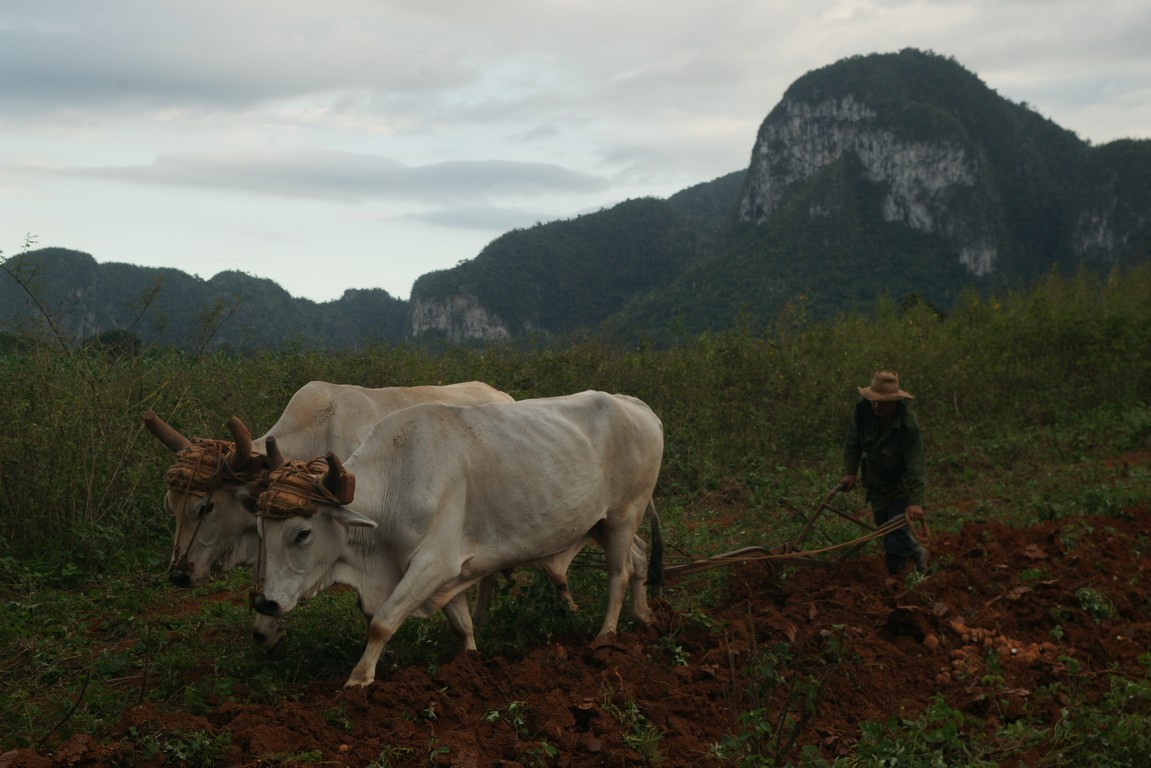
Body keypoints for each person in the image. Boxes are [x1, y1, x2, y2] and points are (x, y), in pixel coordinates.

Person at [840, 370, 930, 576]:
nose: (876, 406)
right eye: (874, 400)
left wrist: (917, 502)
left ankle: (899, 571)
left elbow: (916, 465)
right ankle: (911, 555)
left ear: (895, 402)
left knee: (893, 528)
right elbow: (852, 441)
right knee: (883, 525)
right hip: (876, 482)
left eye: (883, 402)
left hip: (900, 485)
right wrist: (850, 473)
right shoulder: (863, 410)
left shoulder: (908, 425)